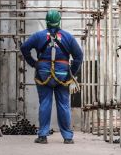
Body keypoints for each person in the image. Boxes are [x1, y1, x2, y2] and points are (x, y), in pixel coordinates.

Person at [20, 9, 83, 144]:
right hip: (62, 74)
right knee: (64, 104)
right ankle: (67, 137)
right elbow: (79, 56)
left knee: (45, 103)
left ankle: (42, 135)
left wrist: (33, 63)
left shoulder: (38, 36)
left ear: (46, 21)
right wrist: (72, 71)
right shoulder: (67, 37)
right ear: (59, 21)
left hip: (43, 74)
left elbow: (24, 47)